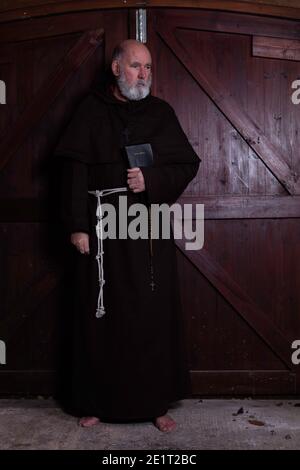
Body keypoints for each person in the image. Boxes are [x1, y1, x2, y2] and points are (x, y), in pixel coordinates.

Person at [55, 39, 200, 432]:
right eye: (137, 66)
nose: (144, 74)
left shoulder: (161, 113)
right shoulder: (89, 110)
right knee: (99, 317)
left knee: (149, 317)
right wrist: (77, 226)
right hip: (101, 231)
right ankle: (95, 402)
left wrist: (150, 180)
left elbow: (187, 164)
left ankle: (155, 403)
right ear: (117, 68)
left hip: (145, 230)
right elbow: (73, 171)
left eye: (149, 67)